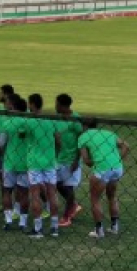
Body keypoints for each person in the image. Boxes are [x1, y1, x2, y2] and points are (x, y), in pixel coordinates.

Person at [77, 118, 129, 238]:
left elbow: (85, 160)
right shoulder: (108, 133)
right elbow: (126, 146)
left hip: (102, 169)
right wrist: (117, 160)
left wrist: (95, 162)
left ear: (84, 126)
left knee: (95, 199)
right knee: (112, 196)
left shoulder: (83, 137)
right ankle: (114, 227)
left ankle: (99, 231)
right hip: (117, 168)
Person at [21, 93, 62, 238]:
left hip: (34, 163)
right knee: (52, 194)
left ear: (32, 104)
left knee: (35, 195)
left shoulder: (29, 121)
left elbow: (21, 134)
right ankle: (55, 227)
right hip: (50, 162)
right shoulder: (51, 121)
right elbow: (58, 141)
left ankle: (38, 229)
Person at [0, 95, 30, 232]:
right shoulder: (30, 123)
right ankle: (23, 222)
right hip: (25, 163)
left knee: (7, 191)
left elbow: (0, 143)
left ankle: (8, 221)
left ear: (14, 108)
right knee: (23, 193)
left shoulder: (7, 123)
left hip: (10, 162)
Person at [54, 93, 83, 227]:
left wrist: (77, 160)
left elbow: (81, 140)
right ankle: (74, 205)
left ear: (62, 105)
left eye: (56, 104)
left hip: (71, 159)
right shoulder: (58, 119)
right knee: (57, 184)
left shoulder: (75, 119)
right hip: (59, 158)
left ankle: (66, 217)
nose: (55, 106)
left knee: (69, 187)